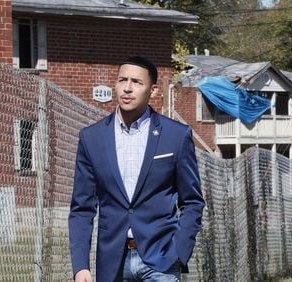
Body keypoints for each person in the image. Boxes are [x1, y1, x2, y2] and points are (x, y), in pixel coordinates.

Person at [68, 56, 205, 282]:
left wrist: (179, 251)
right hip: (113, 263)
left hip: (162, 260)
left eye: (137, 82)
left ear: (152, 90)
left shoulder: (176, 136)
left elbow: (192, 201)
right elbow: (82, 208)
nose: (128, 88)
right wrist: (80, 266)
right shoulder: (92, 138)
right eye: (122, 80)